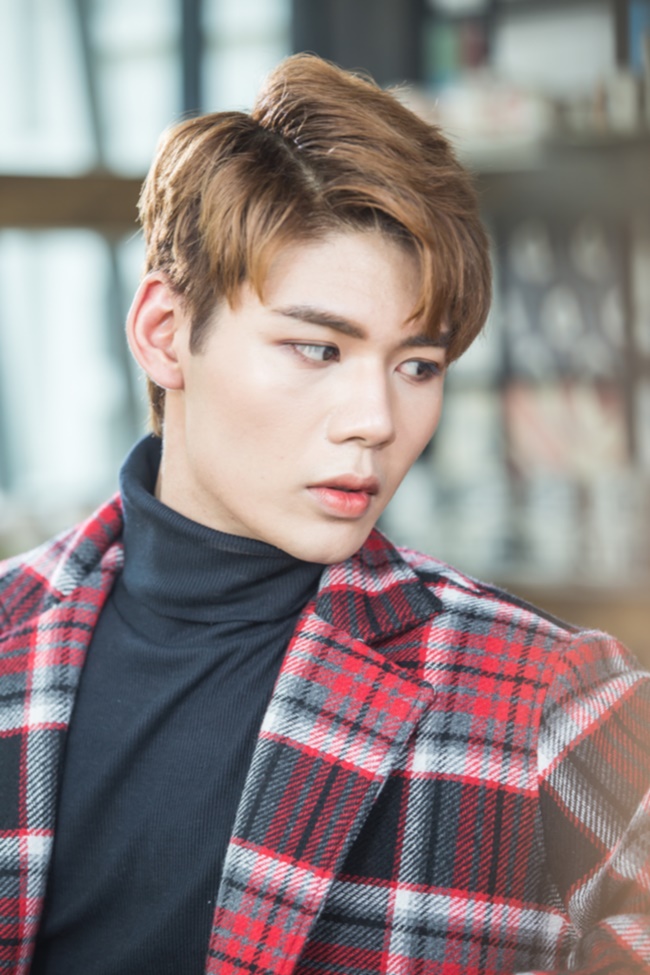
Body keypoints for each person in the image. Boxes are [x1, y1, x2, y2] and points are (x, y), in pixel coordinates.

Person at [0, 54, 648, 975]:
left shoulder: (550, 697)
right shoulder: (12, 637)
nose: (376, 419)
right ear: (164, 333)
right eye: (317, 348)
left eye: (417, 365)